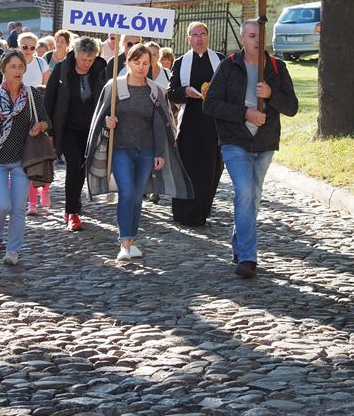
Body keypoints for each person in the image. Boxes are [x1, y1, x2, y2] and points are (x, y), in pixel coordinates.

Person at [203, 20, 299, 279]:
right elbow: (210, 104)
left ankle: (239, 244)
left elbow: (292, 107)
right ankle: (248, 257)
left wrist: (270, 94)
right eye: (252, 35)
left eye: (260, 35)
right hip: (235, 141)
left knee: (252, 197)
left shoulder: (276, 68)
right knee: (244, 191)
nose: (257, 40)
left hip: (265, 143)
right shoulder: (228, 66)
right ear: (242, 39)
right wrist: (244, 113)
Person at [86, 44, 193, 261]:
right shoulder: (114, 87)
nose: (141, 67)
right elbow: (101, 117)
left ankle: (132, 240)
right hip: (120, 150)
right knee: (126, 193)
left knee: (136, 196)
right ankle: (124, 242)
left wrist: (160, 153)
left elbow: (159, 124)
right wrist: (107, 122)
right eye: (137, 62)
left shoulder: (155, 91)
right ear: (128, 62)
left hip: (146, 150)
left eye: (146, 63)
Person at [0, 49, 50, 265]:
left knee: (18, 208)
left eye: (21, 66)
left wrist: (40, 126)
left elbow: (45, 120)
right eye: (13, 66)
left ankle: (13, 251)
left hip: (21, 160)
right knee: (2, 204)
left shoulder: (32, 94)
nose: (17, 70)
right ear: (3, 69)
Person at [44, 36, 106, 231]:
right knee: (73, 163)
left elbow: (108, 97)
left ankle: (75, 203)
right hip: (67, 127)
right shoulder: (62, 69)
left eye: (90, 60)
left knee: (81, 167)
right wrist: (48, 130)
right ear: (75, 54)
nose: (86, 63)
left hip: (90, 128)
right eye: (83, 59)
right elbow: (49, 100)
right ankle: (71, 212)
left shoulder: (101, 70)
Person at [167, 22, 224, 227]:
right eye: (194, 35)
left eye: (202, 34)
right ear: (188, 39)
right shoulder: (181, 62)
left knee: (211, 169)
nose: (199, 38)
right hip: (190, 123)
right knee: (187, 168)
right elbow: (171, 92)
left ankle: (201, 212)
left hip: (213, 124)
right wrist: (185, 92)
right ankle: (183, 212)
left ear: (208, 37)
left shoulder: (221, 60)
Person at [19, 31, 52, 214]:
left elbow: (48, 88)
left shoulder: (40, 63)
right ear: (19, 46)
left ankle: (41, 192)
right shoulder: (14, 62)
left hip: (38, 113)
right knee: (22, 159)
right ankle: (25, 200)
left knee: (40, 155)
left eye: (32, 47)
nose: (28, 50)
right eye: (25, 47)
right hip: (19, 113)